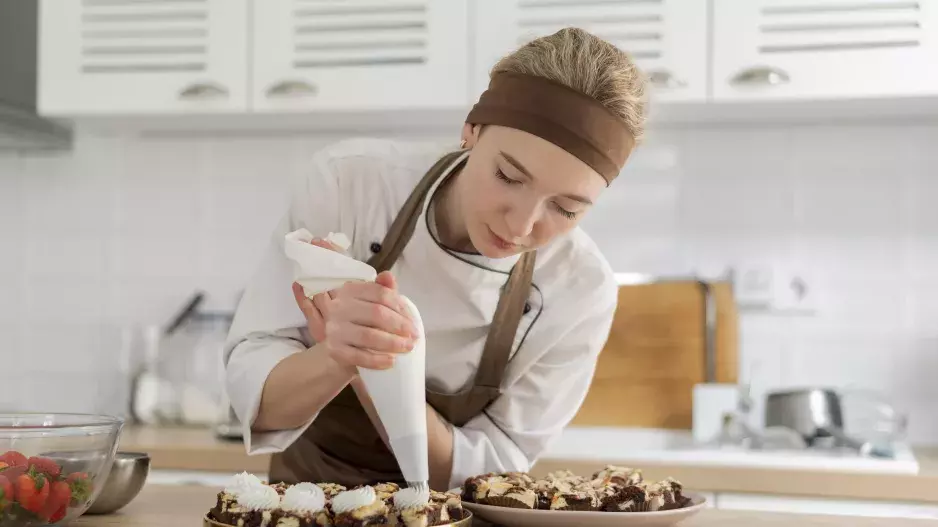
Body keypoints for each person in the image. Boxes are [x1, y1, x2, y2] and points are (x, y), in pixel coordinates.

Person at [223, 27, 648, 492]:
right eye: (508, 176)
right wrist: (337, 358)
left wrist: (374, 365)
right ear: (471, 131)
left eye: (566, 209)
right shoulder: (351, 185)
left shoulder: (580, 287)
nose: (522, 224)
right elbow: (254, 400)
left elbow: (495, 475)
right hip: (302, 506)